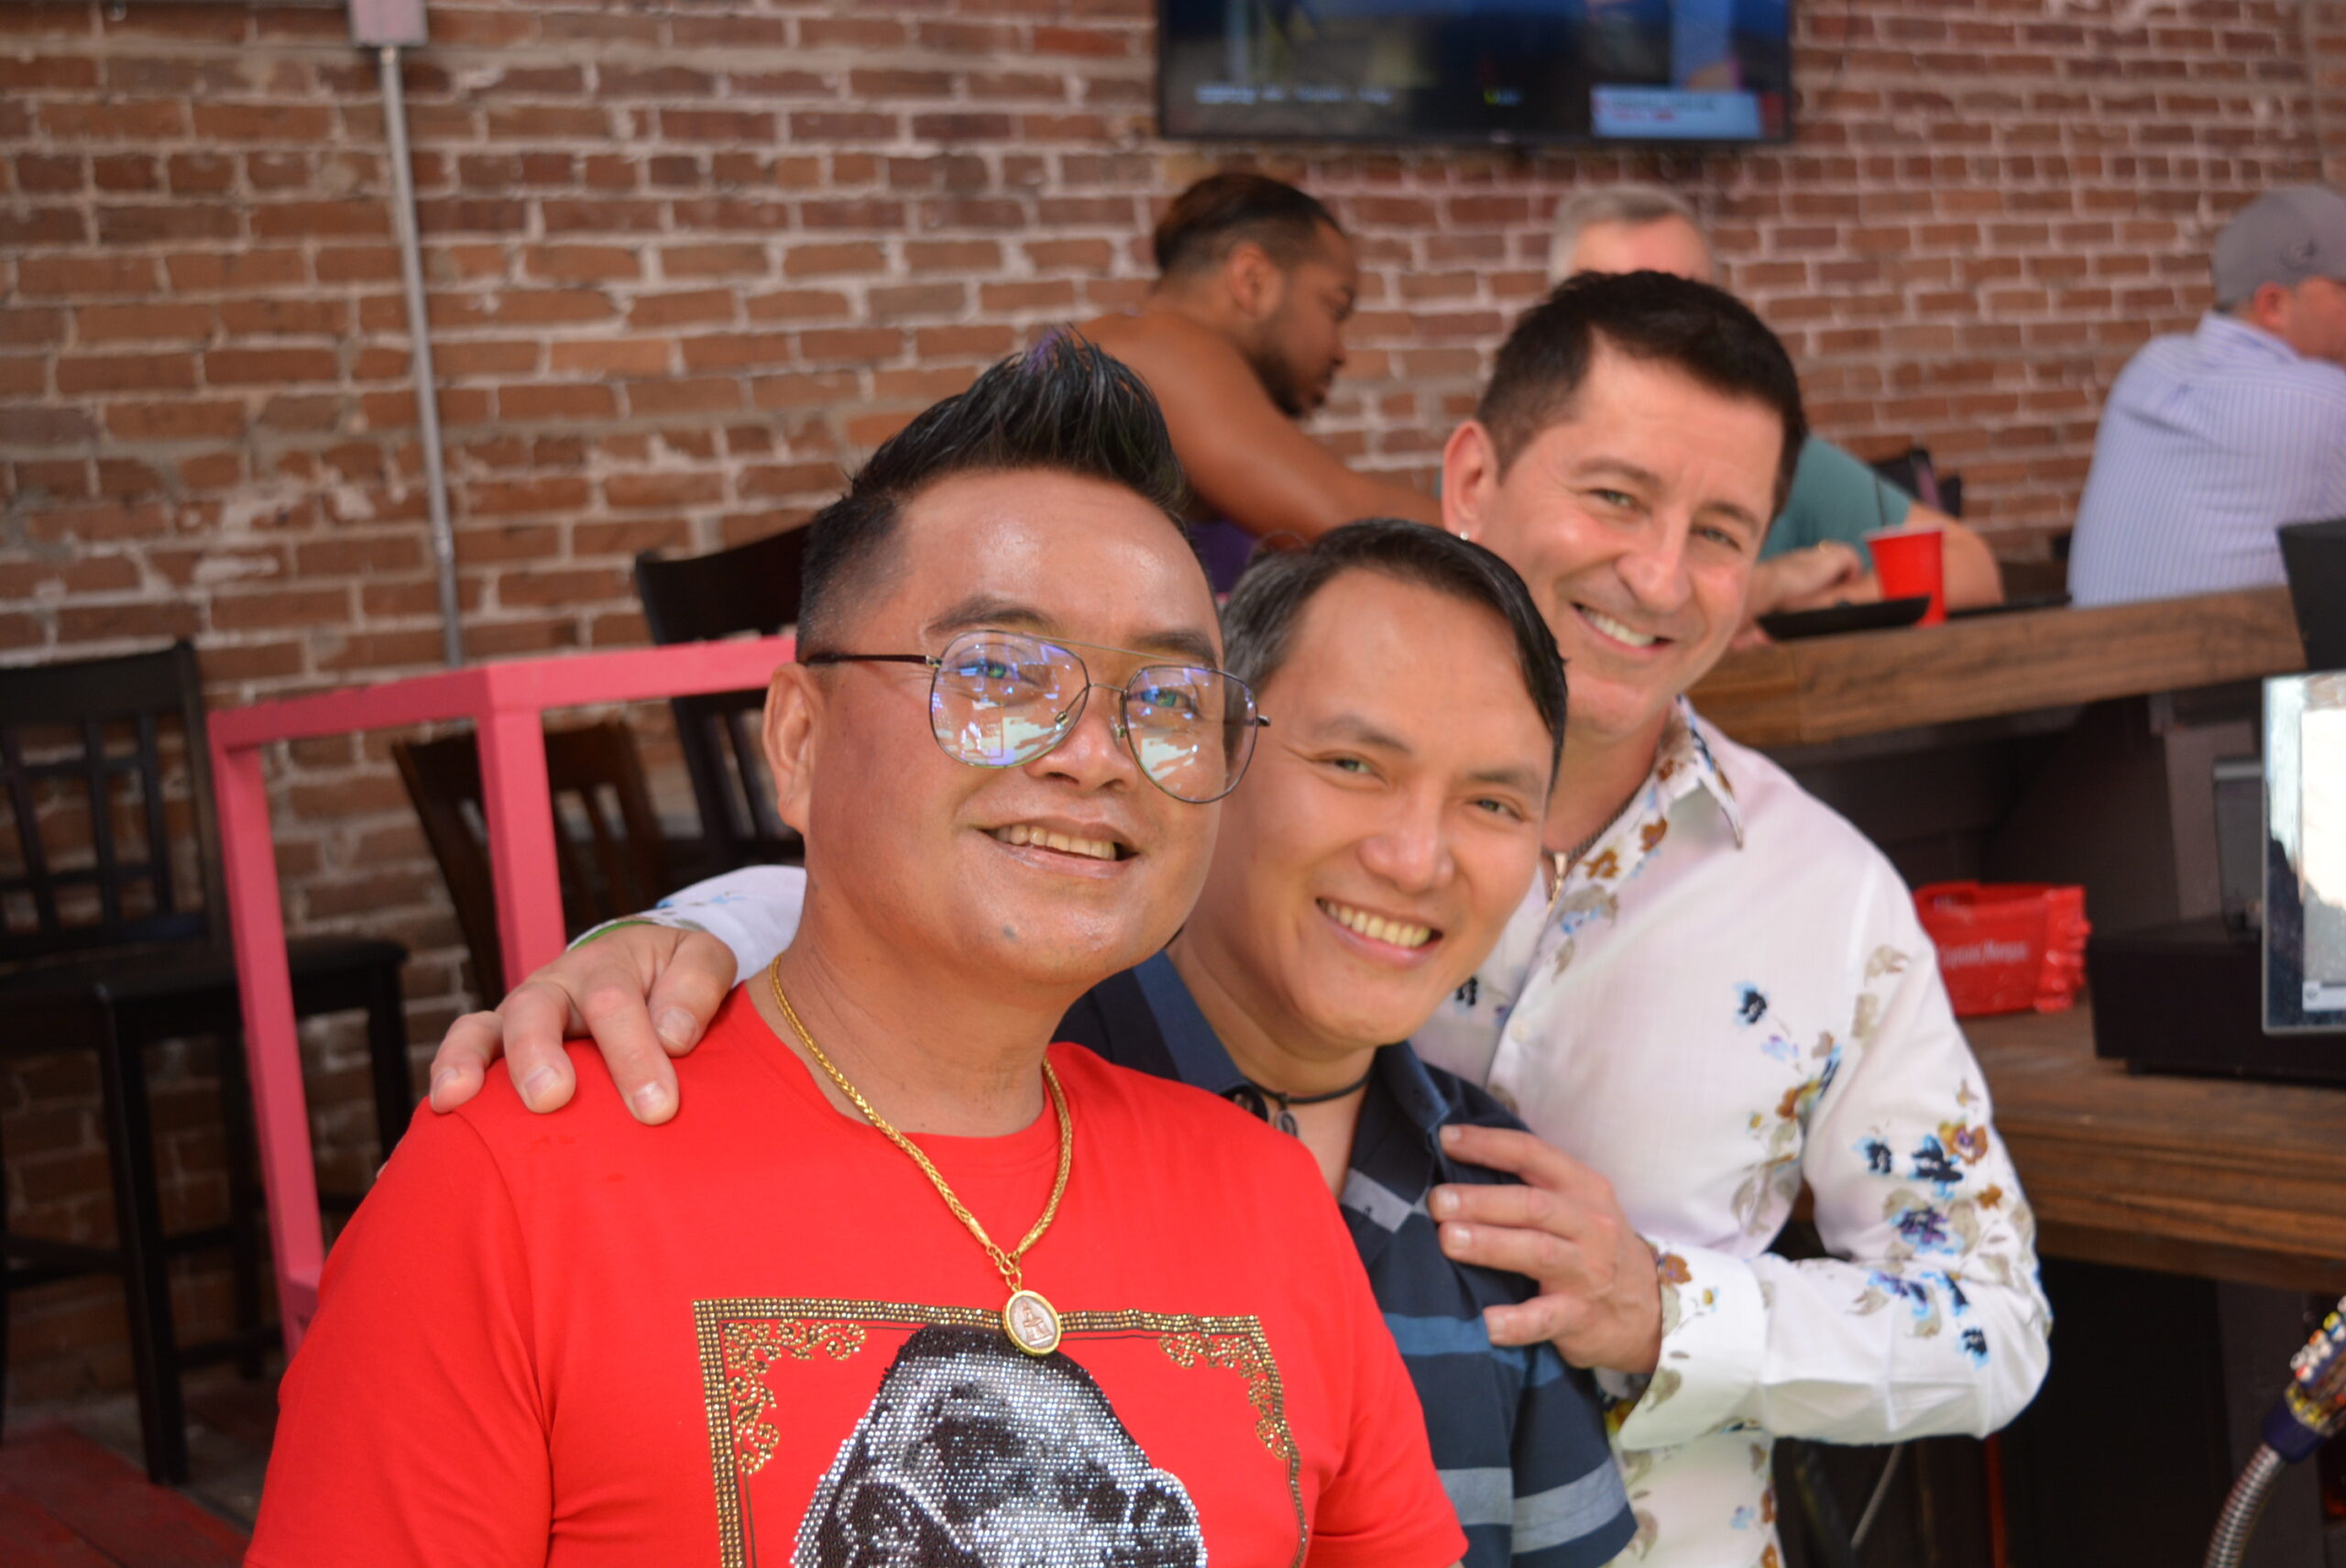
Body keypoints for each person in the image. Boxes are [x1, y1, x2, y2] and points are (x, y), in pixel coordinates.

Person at [433, 275, 2053, 1568]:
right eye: (1615, 496)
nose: (1658, 572)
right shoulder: (1190, 816)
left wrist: (1670, 1310)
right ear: (1474, 477)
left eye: (1722, 533)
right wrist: (687, 935)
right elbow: (978, 869)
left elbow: (1994, 1315)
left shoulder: (1823, 895)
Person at [248, 339, 1469, 1568]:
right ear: (798, 742)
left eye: (1164, 700)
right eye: (1000, 674)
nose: (1096, 754)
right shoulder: (516, 1189)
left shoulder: (1265, 1201)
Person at [551, 521, 1637, 1568]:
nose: (1414, 857)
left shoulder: (1503, 1208)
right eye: (1353, 763)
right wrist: (673, 934)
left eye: (1494, 802)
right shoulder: (993, 1078)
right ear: (1204, 757)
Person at [1551, 184, 2008, 619]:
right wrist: (1774, 583)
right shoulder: (1534, 461)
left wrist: (1813, 609)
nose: (1663, 331)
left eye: (1691, 301)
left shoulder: (1774, 458)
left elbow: (1969, 567)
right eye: (1624, 307)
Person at [1080, 170, 1443, 586]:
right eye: (1335, 309)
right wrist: (1495, 523)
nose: (1339, 351)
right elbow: (1350, 527)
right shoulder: (1154, 345)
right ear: (1252, 280)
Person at [2066, 183, 2346, 605]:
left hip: (2092, 643)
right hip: (2230, 649)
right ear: (2273, 305)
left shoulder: (2150, 366)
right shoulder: (2325, 403)